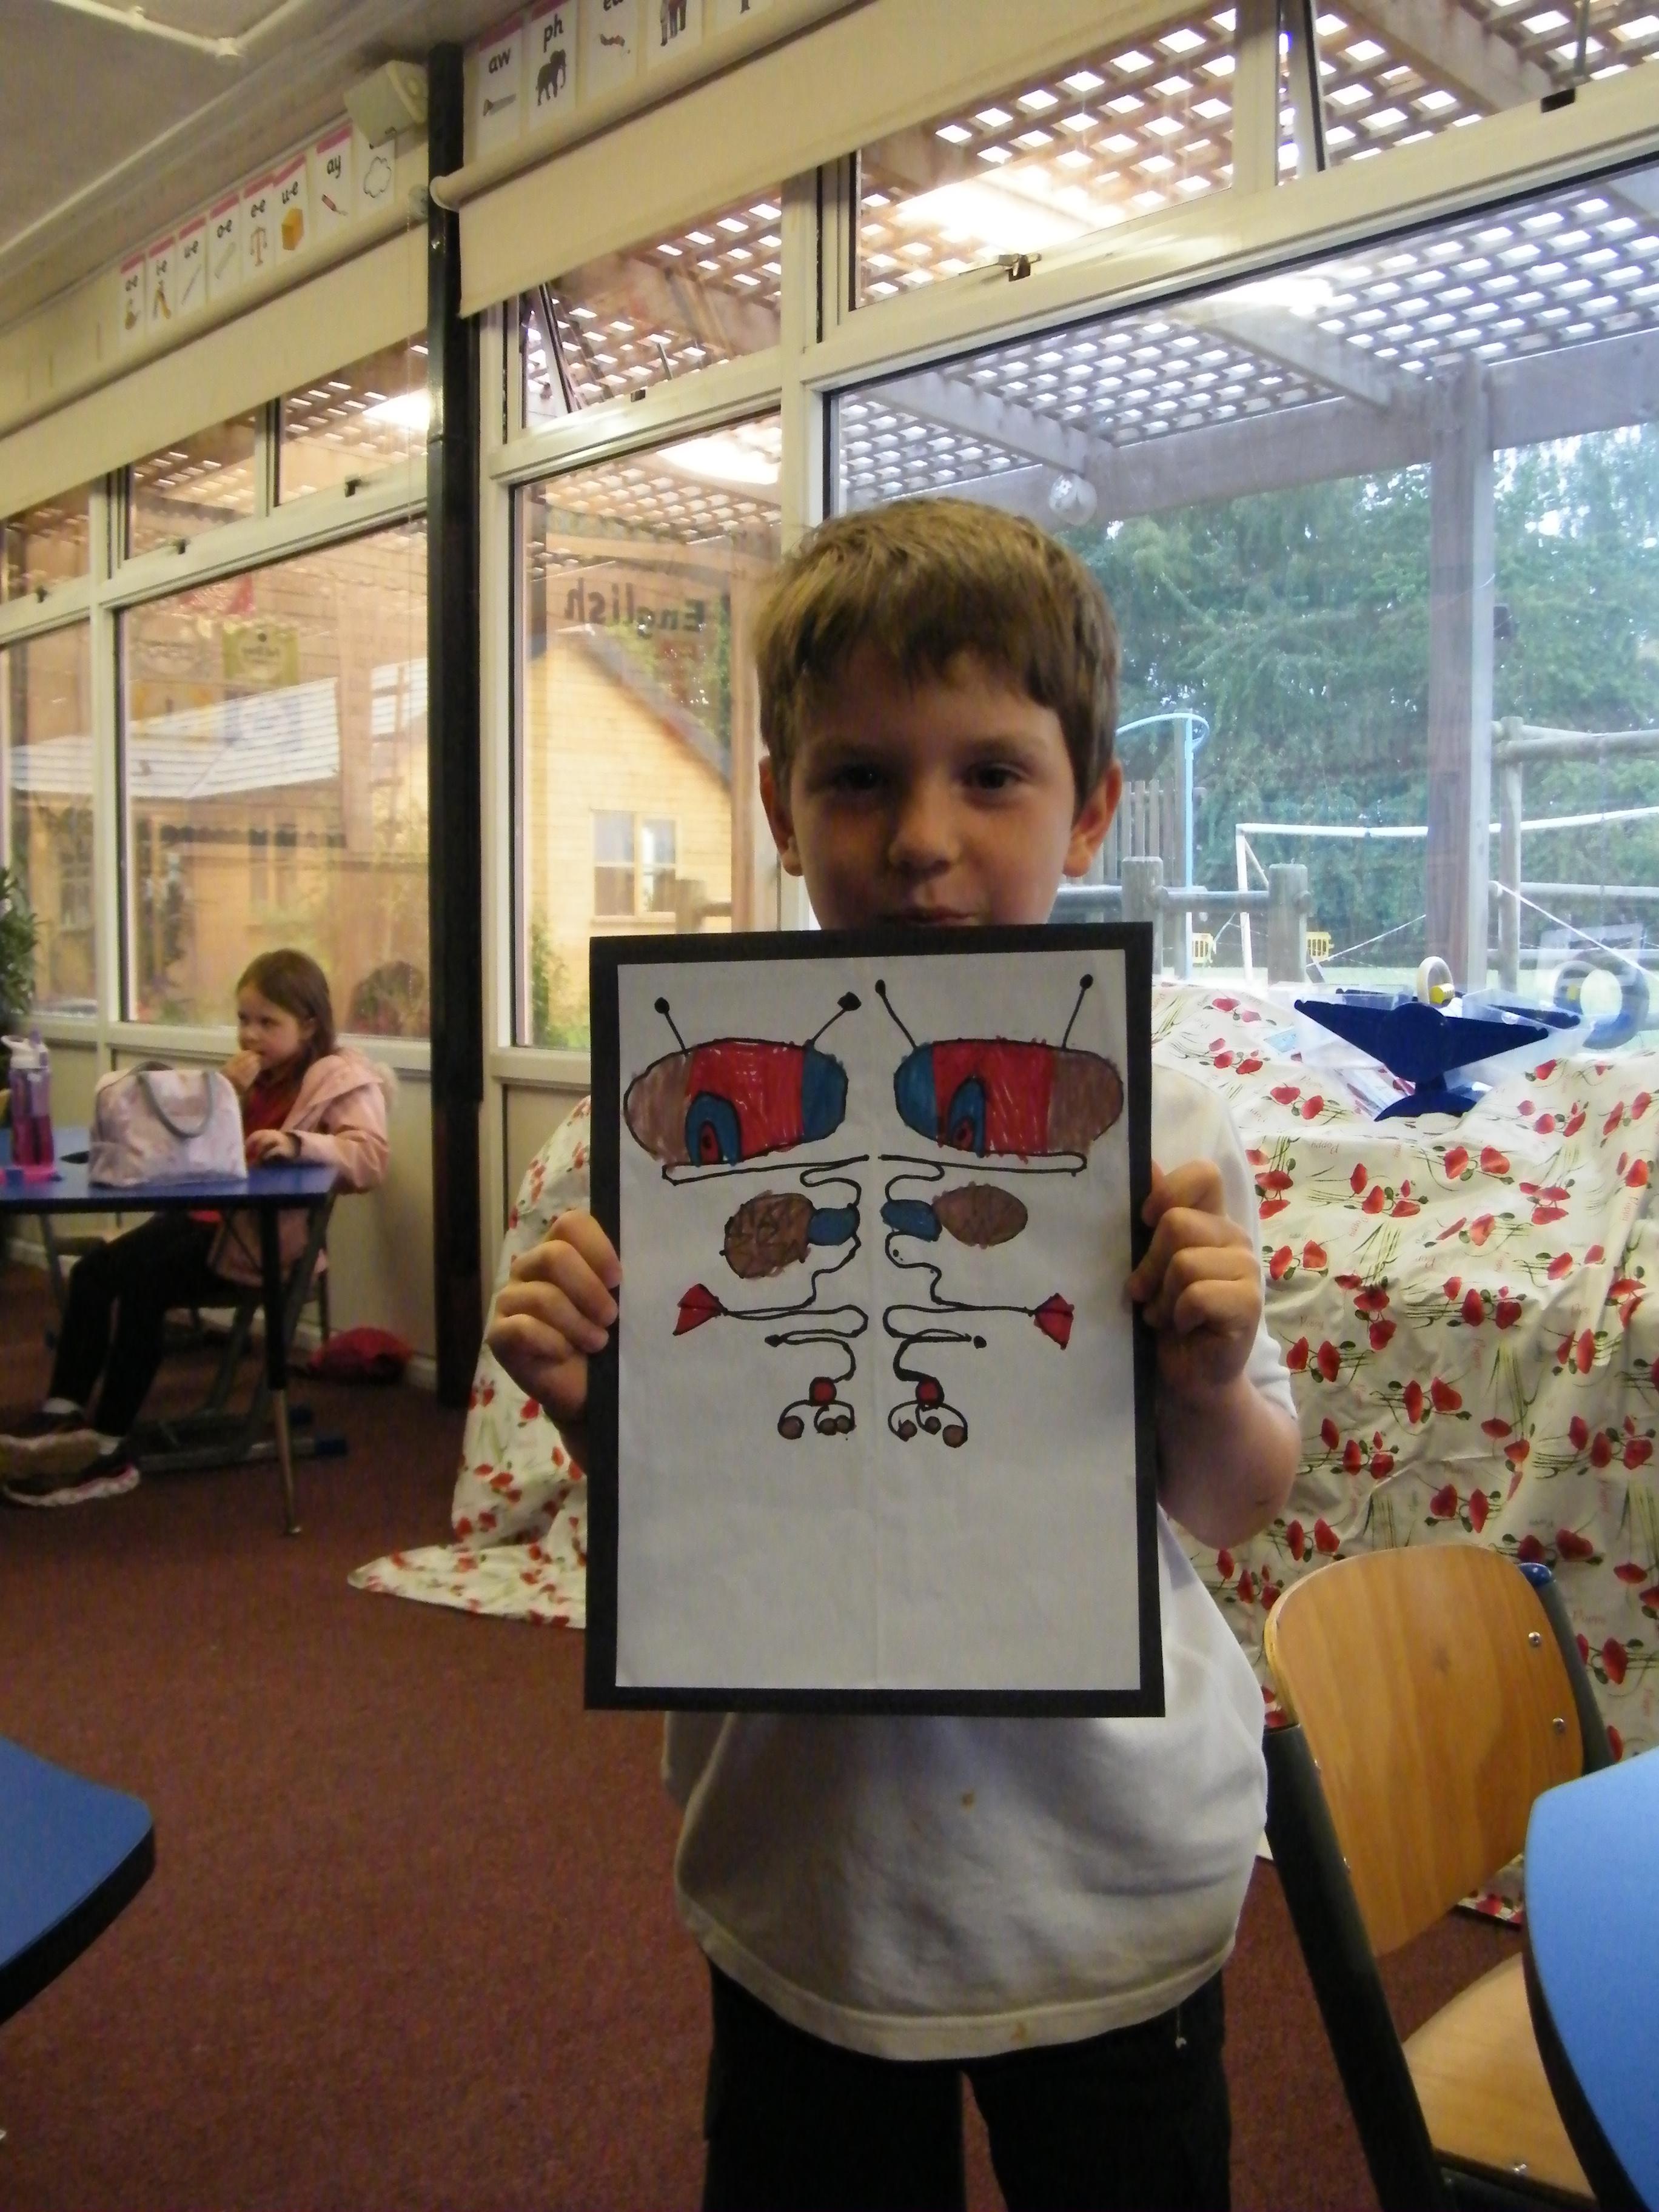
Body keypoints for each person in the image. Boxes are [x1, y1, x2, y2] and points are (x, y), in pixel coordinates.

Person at [488, 499, 1301, 2212]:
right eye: (857, 779)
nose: (923, 840)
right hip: (811, 1886)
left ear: (1091, 805)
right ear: (780, 809)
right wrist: (597, 1406)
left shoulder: (1160, 1122)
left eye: (991, 775)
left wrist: (1210, 1378)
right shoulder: (677, 1123)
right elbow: (701, 1497)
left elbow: (1231, 1503)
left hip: (1104, 1882)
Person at [1, 949, 390, 1509]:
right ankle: (62, 1415)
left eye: (268, 1023)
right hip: (204, 1221)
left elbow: (370, 1158)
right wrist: (223, 1092)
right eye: (243, 1020)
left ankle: (108, 1447)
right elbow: (198, 1146)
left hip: (255, 1247)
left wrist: (297, 1143)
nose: (250, 1035)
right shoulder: (258, 1077)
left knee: (143, 1288)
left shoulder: (340, 1079)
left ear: (308, 1026)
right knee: (92, 1273)